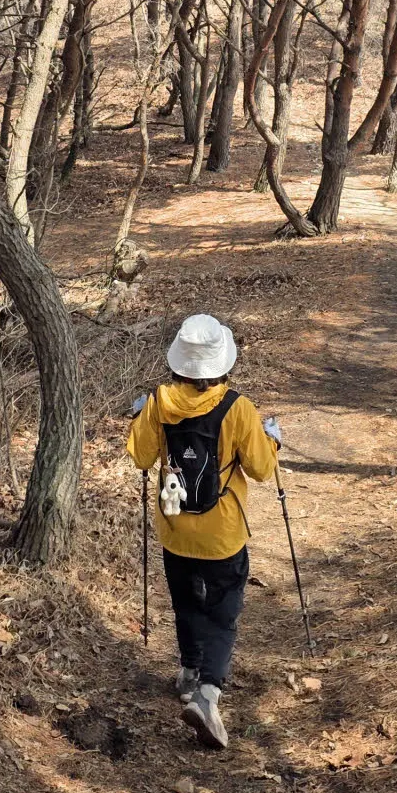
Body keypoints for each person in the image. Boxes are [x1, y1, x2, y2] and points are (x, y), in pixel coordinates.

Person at [127, 312, 282, 749]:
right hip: (223, 534)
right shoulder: (238, 408)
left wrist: (141, 418)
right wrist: (272, 438)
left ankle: (189, 671)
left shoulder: (158, 402)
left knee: (185, 602)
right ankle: (209, 693)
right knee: (222, 611)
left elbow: (141, 457)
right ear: (221, 364)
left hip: (175, 528)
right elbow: (262, 468)